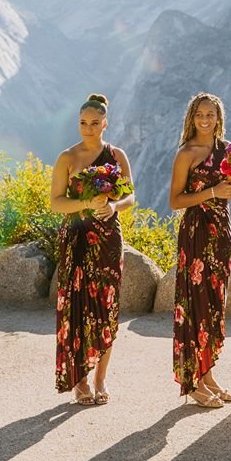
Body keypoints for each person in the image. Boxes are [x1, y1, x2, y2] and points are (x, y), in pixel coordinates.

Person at [50, 93, 136, 405]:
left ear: (105, 124)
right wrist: (86, 202)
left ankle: (101, 378)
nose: (88, 127)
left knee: (107, 309)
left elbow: (130, 197)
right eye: (83, 122)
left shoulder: (116, 155)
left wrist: (113, 206)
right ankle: (81, 379)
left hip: (109, 240)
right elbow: (55, 202)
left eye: (94, 123)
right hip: (76, 240)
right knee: (78, 308)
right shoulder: (67, 158)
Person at [169, 92, 231, 408]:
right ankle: (193, 382)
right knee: (194, 303)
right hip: (195, 232)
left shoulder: (229, 151)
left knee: (213, 305)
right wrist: (212, 192)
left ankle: (208, 375)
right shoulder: (186, 153)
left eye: (210, 114)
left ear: (219, 117)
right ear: (192, 118)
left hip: (221, 231)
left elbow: (228, 193)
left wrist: (228, 191)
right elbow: (175, 201)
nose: (205, 120)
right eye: (199, 114)